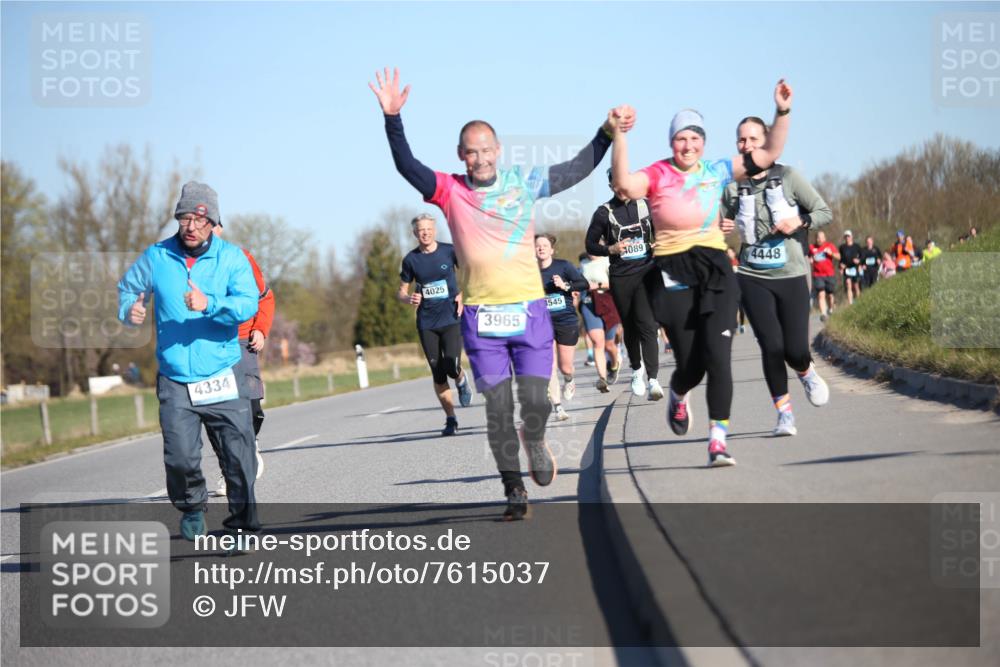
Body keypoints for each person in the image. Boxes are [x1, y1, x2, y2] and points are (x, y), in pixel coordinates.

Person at [371, 67, 632, 519]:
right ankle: (514, 489)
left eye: (486, 150)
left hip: (529, 312)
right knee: (496, 408)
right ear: (461, 154)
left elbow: (576, 168)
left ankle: (535, 440)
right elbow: (405, 166)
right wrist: (393, 119)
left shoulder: (522, 182)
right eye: (471, 153)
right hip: (479, 318)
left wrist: (607, 133)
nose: (480, 159)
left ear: (498, 150)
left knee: (534, 403)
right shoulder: (449, 190)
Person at [612, 79, 794, 467]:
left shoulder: (717, 169)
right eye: (681, 138)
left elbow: (771, 152)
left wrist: (781, 112)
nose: (688, 145)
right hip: (672, 272)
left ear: (704, 143)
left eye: (695, 138)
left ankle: (718, 439)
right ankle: (678, 392)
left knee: (719, 357)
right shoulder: (658, 173)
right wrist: (619, 137)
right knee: (692, 365)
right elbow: (625, 187)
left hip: (714, 268)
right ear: (671, 142)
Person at [118, 181, 259, 544]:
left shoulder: (232, 258)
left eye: (199, 219)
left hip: (223, 373)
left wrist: (210, 304)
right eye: (184, 218)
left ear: (213, 222)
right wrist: (130, 308)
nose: (191, 226)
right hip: (176, 377)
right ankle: (193, 506)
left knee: (238, 459)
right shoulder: (157, 257)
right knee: (180, 458)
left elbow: (248, 304)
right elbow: (128, 288)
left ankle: (242, 526)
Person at [721, 115, 832, 438]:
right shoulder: (732, 187)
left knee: (795, 349)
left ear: (767, 140)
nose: (747, 145)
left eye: (754, 139)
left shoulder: (790, 177)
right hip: (752, 276)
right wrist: (720, 227)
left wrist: (799, 221)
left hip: (792, 274)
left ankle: (806, 371)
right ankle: (784, 415)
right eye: (742, 140)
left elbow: (824, 212)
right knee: (770, 346)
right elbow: (717, 225)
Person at [210, 221, 275, 497]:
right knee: (218, 412)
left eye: (209, 224)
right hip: (209, 347)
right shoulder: (183, 265)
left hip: (243, 340)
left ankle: (250, 444)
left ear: (219, 228)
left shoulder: (241, 258)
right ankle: (230, 471)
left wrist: (260, 328)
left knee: (250, 408)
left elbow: (265, 297)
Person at [586, 168, 662, 400]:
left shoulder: (646, 206)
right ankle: (637, 370)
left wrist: (660, 244)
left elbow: (663, 230)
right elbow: (590, 244)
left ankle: (653, 380)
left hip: (647, 272)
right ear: (611, 187)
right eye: (616, 184)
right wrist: (610, 249)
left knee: (648, 325)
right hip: (621, 277)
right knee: (631, 326)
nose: (621, 188)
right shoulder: (603, 213)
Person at [398, 213, 474, 436]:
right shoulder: (410, 260)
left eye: (429, 229)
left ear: (435, 230)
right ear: (415, 233)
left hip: (451, 318)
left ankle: (461, 378)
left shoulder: (449, 251)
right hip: (426, 322)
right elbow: (401, 290)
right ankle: (451, 419)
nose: (425, 233)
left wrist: (463, 293)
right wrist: (408, 298)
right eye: (421, 230)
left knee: (451, 365)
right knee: (438, 373)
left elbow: (470, 273)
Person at [535, 234, 589, 421]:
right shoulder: (529, 271)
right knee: (549, 365)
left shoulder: (564, 266)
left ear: (551, 250)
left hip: (565, 320)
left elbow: (584, 283)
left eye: (544, 245)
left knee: (565, 367)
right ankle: (558, 407)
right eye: (537, 246)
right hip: (541, 323)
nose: (541, 248)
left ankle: (569, 379)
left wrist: (565, 285)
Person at [580, 253, 623, 392]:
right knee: (598, 342)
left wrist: (597, 285)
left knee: (609, 344)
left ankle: (614, 365)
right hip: (589, 303)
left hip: (607, 302)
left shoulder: (607, 261)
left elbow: (616, 282)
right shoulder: (583, 264)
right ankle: (602, 379)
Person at [809, 230, 839, 322]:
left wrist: (831, 253)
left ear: (825, 238)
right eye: (818, 237)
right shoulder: (811, 247)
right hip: (818, 274)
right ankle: (823, 314)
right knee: (821, 294)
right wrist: (810, 259)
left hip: (829, 274)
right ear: (816, 238)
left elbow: (839, 257)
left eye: (822, 237)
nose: (820, 239)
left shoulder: (830, 246)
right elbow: (808, 257)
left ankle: (830, 309)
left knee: (830, 295)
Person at [725, 247, 747, 334]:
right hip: (731, 288)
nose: (729, 254)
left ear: (734, 253)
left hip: (740, 287)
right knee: (733, 308)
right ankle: (734, 326)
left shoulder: (739, 262)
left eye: (730, 252)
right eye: (727, 253)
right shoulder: (725, 264)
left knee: (741, 308)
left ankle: (742, 324)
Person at [838, 230, 863, 304]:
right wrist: (840, 266)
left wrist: (859, 261)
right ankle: (850, 303)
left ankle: (859, 302)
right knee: (848, 284)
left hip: (855, 268)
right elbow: (840, 258)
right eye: (846, 236)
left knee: (856, 285)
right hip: (847, 268)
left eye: (848, 236)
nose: (847, 238)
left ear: (851, 237)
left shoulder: (857, 246)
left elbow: (862, 256)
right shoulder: (842, 247)